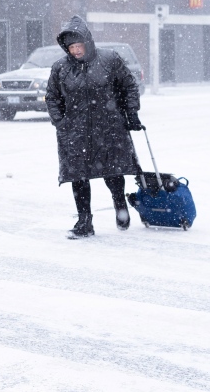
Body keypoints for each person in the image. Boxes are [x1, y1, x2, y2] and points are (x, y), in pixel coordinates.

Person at [45, 16, 143, 239]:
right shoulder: (60, 68)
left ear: (87, 43)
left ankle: (120, 206)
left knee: (113, 170)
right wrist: (60, 122)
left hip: (109, 128)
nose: (76, 51)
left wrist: (131, 113)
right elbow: (52, 96)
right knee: (78, 177)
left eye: (79, 45)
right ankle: (84, 222)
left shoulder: (109, 59)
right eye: (71, 47)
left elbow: (128, 86)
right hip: (75, 132)